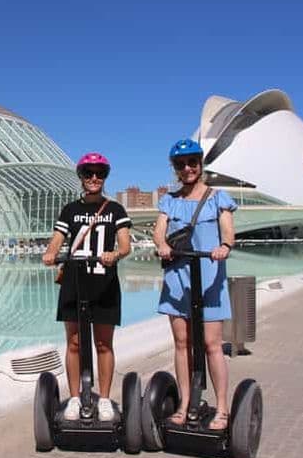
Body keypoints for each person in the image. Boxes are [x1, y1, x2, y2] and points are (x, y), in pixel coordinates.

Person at [153, 139, 237, 431]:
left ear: (200, 164)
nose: (187, 169)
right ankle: (185, 403)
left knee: (212, 345)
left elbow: (228, 231)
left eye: (192, 162)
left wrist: (224, 246)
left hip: (210, 276)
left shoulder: (218, 197)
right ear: (175, 168)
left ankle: (222, 408)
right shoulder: (170, 200)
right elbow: (159, 231)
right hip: (178, 277)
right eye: (180, 164)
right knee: (182, 344)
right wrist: (162, 245)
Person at [42, 152, 132, 422]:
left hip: (104, 282)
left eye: (100, 173)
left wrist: (115, 254)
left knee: (104, 344)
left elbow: (125, 245)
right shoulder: (70, 210)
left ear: (105, 177)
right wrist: (50, 253)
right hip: (74, 282)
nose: (94, 178)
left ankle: (103, 398)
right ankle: (74, 397)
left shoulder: (115, 209)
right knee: (73, 343)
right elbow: (57, 240)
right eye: (89, 173)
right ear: (81, 176)